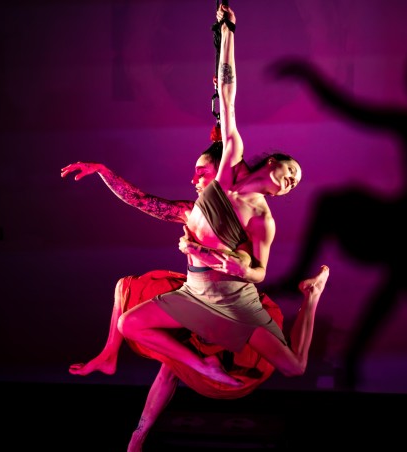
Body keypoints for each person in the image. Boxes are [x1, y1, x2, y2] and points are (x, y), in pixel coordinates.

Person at [115, 3, 329, 393]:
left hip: (234, 302)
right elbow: (227, 94)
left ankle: (312, 296)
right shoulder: (230, 160)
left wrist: (235, 266)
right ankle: (204, 365)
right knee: (129, 323)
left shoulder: (263, 217)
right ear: (275, 161)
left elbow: (259, 272)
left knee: (295, 367)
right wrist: (227, 34)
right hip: (195, 293)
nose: (293, 182)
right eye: (292, 172)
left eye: (296, 184)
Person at [62, 142, 284, 452]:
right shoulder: (191, 211)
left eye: (202, 172)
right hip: (193, 296)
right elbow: (141, 201)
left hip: (225, 309)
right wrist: (104, 172)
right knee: (127, 289)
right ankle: (110, 356)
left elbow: (252, 269)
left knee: (170, 364)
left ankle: (138, 436)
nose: (194, 178)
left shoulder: (249, 215)